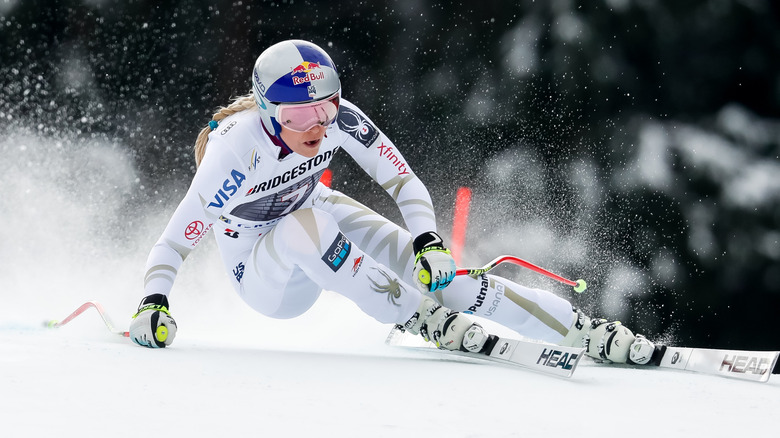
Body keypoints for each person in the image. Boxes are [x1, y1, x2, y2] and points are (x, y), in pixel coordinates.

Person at [129, 39, 658, 366]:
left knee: (440, 274)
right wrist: (153, 303)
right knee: (306, 221)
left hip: (319, 216)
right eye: (296, 117)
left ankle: (577, 328)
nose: (315, 127)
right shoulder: (235, 151)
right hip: (263, 273)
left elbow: (403, 180)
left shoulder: (341, 119)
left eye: (325, 109)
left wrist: (429, 245)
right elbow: (174, 243)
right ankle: (419, 318)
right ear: (268, 112)